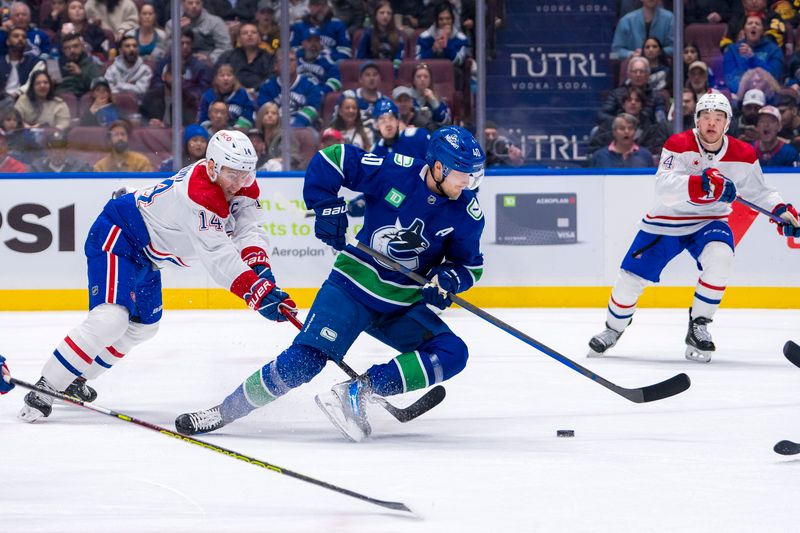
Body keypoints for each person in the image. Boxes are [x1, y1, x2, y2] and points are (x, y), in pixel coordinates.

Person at [174, 125, 486, 441]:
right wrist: (327, 206)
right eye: (464, 174)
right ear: (438, 167)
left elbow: (470, 267)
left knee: (452, 352)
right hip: (350, 290)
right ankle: (225, 411)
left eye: (474, 176)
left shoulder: (467, 214)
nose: (469, 183)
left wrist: (449, 279)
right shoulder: (396, 172)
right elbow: (332, 158)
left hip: (401, 306)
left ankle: (360, 391)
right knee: (305, 361)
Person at [19, 130, 296, 422]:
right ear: (213, 166)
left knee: (144, 327)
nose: (240, 182)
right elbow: (219, 256)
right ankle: (46, 387)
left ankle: (75, 379)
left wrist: (262, 272)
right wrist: (256, 293)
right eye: (232, 174)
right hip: (120, 235)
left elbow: (249, 229)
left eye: (245, 173)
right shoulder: (199, 193)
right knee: (111, 318)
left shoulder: (241, 184)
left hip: (148, 254)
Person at [587, 92, 799, 363]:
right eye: (706, 118)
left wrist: (782, 211)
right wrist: (701, 183)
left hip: (711, 221)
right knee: (630, 278)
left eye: (718, 118)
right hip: (667, 220)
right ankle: (613, 329)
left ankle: (699, 325)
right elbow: (664, 188)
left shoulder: (743, 154)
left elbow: (760, 192)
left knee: (721, 258)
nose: (711, 124)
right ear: (696, 121)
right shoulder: (678, 144)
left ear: (728, 123)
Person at [722, 12, 783, 94]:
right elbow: (730, 78)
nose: (753, 26)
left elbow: (774, 76)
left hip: (766, 93)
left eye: (757, 24)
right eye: (750, 23)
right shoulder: (732, 50)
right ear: (744, 30)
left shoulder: (774, 50)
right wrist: (747, 91)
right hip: (740, 94)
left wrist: (752, 58)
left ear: (763, 30)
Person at [165, 0, 232, 64]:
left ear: (202, 3)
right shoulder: (172, 24)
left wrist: (211, 58)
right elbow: (167, 50)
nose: (194, 6)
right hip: (180, 63)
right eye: (190, 3)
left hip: (207, 63)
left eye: (197, 3)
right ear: (182, 4)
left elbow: (226, 48)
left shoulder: (216, 22)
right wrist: (177, 31)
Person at [217, 22, 274, 92]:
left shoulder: (269, 57)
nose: (249, 35)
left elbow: (271, 78)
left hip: (261, 94)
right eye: (245, 33)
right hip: (232, 94)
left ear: (259, 38)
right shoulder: (227, 57)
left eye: (253, 32)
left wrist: (254, 89)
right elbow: (217, 76)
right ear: (239, 39)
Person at [198, 63, 255, 130]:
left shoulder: (243, 94)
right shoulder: (208, 96)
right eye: (222, 75)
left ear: (234, 78)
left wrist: (237, 128)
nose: (226, 78)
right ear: (216, 78)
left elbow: (249, 114)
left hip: (237, 133)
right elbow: (202, 118)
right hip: (213, 133)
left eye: (229, 75)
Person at [587, 113, 655, 168]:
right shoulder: (599, 157)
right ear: (614, 132)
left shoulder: (645, 155)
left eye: (630, 128)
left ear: (635, 132)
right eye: (622, 128)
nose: (627, 131)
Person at [416, 2, 470, 67]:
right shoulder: (424, 37)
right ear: (436, 20)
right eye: (441, 19)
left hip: (452, 73)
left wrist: (447, 44)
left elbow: (459, 62)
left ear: (453, 20)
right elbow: (417, 61)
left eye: (448, 19)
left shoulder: (461, 38)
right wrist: (433, 50)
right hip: (429, 72)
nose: (445, 22)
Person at [104, 35, 153, 102]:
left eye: (134, 46)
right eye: (127, 46)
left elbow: (141, 91)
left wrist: (119, 85)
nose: (132, 49)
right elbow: (108, 91)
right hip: (115, 105)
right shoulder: (112, 70)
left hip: (138, 107)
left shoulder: (145, 70)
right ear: (120, 51)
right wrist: (131, 86)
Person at [356, 1, 404, 70]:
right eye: (382, 13)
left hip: (391, 70)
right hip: (371, 70)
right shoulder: (368, 33)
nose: (385, 16)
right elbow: (360, 58)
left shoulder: (398, 34)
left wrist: (393, 70)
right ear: (375, 15)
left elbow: (399, 57)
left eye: (389, 13)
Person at [54, 32, 102, 99]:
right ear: (63, 51)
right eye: (67, 48)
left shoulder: (91, 65)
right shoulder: (58, 64)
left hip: (79, 101)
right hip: (58, 99)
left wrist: (80, 73)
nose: (72, 50)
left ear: (82, 47)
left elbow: (100, 87)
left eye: (75, 46)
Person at [340, 61, 385, 129]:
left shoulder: (385, 101)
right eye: (367, 75)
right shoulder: (348, 96)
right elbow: (336, 122)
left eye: (375, 75)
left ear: (379, 79)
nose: (371, 78)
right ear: (360, 79)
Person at [0, 26, 41, 100]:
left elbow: (33, 84)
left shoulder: (35, 62)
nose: (20, 38)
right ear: (8, 42)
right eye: (16, 36)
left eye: (24, 37)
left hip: (25, 101)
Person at [409, 62, 452, 130]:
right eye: (418, 76)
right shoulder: (406, 97)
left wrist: (433, 101)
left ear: (430, 80)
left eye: (426, 77)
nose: (422, 79)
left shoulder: (437, 99)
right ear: (413, 80)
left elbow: (446, 122)